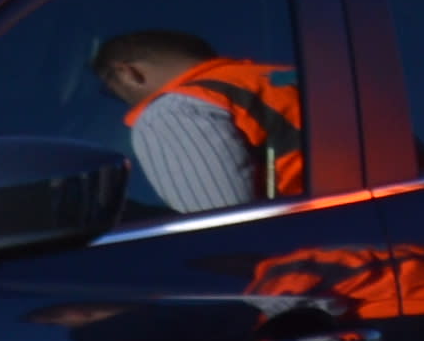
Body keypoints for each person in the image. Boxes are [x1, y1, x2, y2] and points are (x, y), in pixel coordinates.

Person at [95, 32, 300, 216]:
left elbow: (222, 232)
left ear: (128, 73)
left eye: (110, 91)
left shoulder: (174, 111)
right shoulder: (285, 79)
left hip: (309, 249)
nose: (120, 99)